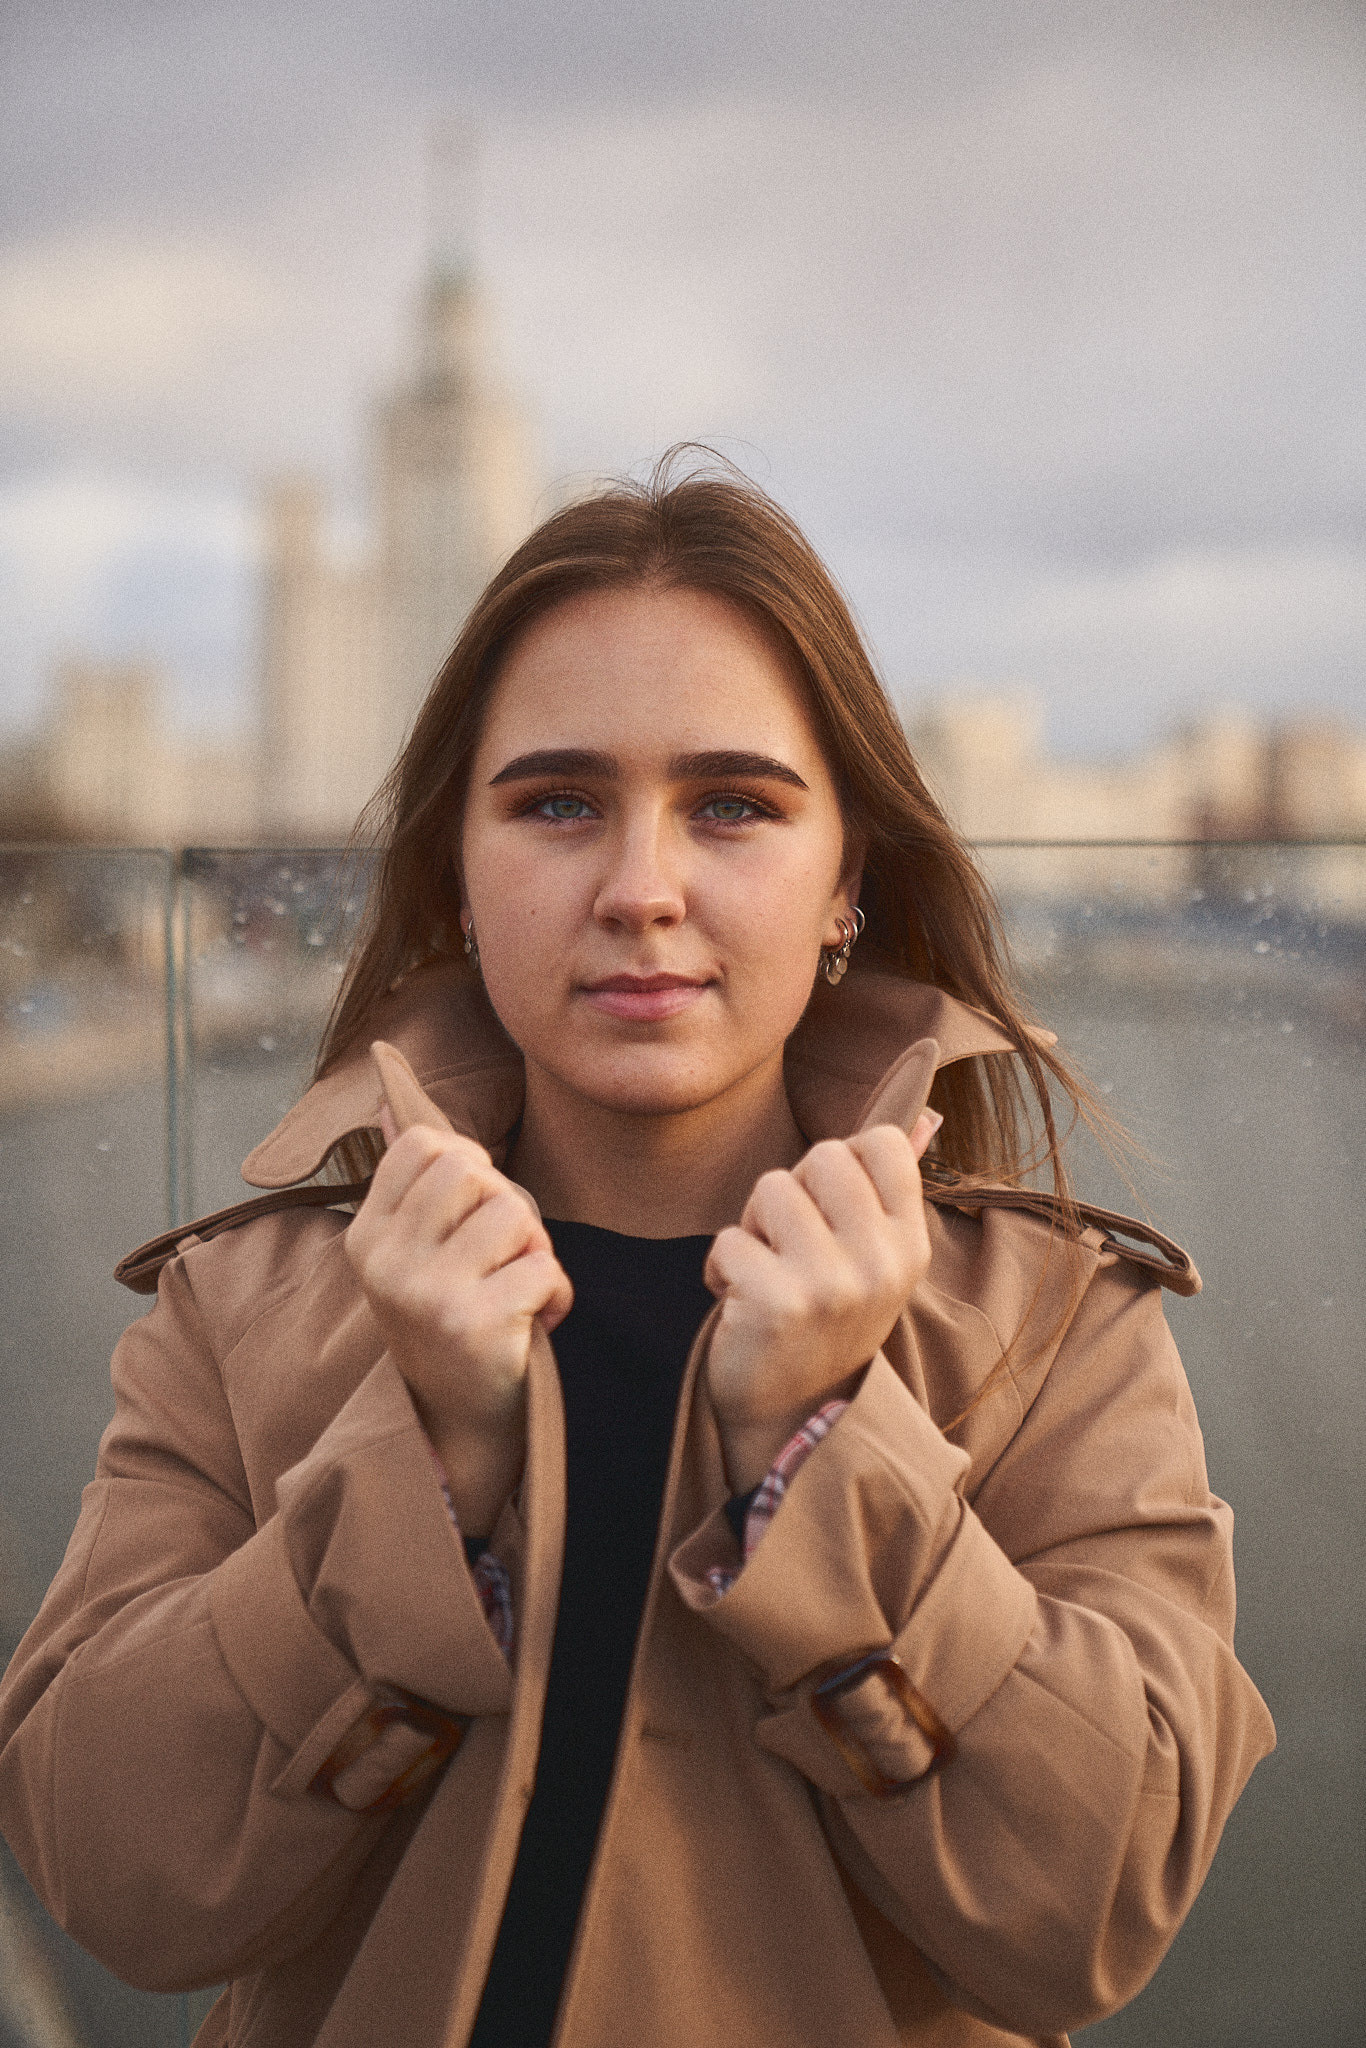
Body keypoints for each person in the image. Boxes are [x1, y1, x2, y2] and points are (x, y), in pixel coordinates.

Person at [0, 455, 1273, 2048]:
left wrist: (825, 1442)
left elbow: (1088, 1915)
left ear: (845, 885)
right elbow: (121, 1882)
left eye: (732, 804)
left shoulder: (1051, 1327)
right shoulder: (236, 1309)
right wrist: (424, 1454)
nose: (640, 890)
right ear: (456, 879)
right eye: (555, 804)